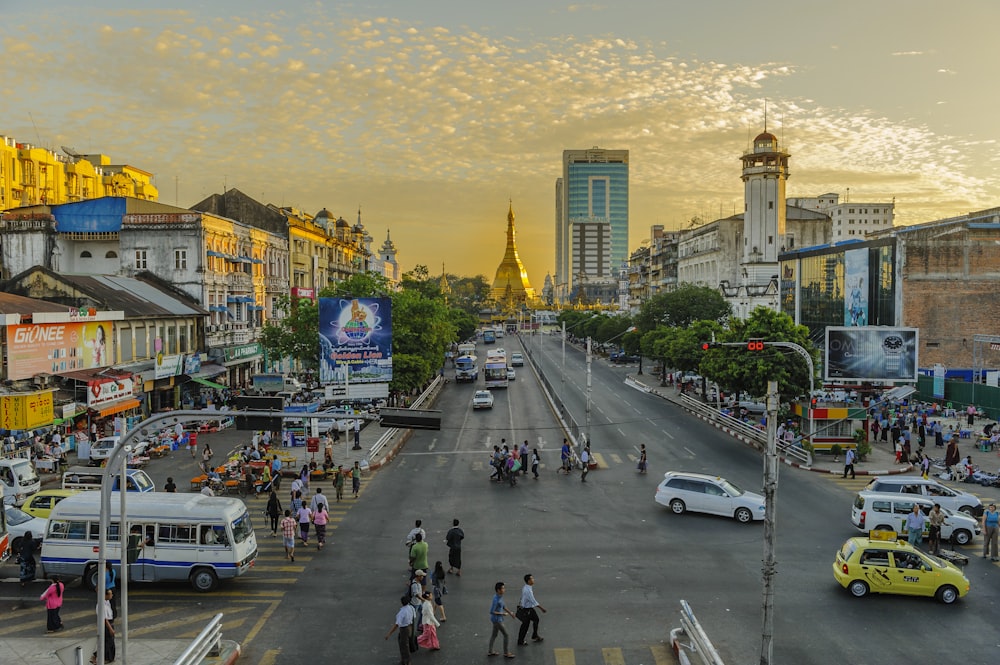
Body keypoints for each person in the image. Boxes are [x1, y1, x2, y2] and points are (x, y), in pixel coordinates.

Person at [488, 581, 517, 658]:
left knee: (494, 635)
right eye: (503, 588)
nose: (504, 590)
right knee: (506, 635)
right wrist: (502, 614)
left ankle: (490, 651)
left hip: (496, 619)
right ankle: (506, 652)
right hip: (497, 620)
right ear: (498, 590)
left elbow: (503, 606)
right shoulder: (496, 599)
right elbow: (491, 611)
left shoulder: (500, 597)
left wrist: (510, 613)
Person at [385, 595, 416, 665]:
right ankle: (405, 659)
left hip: (404, 629)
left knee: (404, 645)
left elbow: (397, 624)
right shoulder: (411, 608)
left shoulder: (402, 612)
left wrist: (389, 634)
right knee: (406, 643)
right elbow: (414, 617)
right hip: (410, 627)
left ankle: (406, 660)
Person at [516, 573, 546, 646]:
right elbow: (533, 601)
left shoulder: (526, 587)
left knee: (536, 619)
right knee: (525, 626)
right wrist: (542, 608)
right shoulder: (528, 591)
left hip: (528, 608)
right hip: (526, 610)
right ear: (529, 581)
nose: (533, 580)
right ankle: (520, 641)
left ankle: (535, 635)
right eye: (532, 578)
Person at [91, 587, 115, 665]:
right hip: (106, 624)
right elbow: (104, 619)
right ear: (105, 595)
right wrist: (110, 628)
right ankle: (96, 655)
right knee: (108, 642)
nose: (112, 595)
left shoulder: (107, 602)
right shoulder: (101, 605)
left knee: (110, 641)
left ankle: (109, 657)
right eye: (110, 594)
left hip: (110, 622)